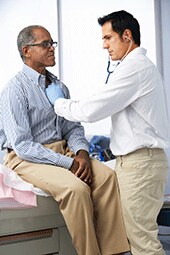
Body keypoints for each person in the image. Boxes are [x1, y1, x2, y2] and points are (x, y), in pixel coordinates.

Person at [46, 10, 170, 255]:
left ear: (127, 36)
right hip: (137, 161)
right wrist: (113, 141)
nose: (104, 46)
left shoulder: (134, 68)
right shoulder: (135, 67)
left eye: (108, 38)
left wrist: (58, 103)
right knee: (138, 238)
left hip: (140, 165)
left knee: (143, 242)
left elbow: (92, 109)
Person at [0, 25, 130, 255]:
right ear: (27, 50)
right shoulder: (14, 90)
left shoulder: (59, 87)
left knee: (108, 177)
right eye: (45, 44)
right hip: (26, 157)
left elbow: (73, 127)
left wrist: (81, 154)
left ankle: (114, 251)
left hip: (63, 151)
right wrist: (68, 164)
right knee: (76, 189)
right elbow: (22, 145)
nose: (52, 49)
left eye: (53, 43)